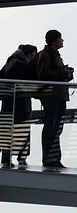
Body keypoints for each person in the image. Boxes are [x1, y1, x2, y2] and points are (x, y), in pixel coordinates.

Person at [36, 29, 73, 168]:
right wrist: (63, 73)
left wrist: (66, 74)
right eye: (60, 38)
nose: (62, 40)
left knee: (56, 128)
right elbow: (44, 75)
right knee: (51, 127)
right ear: (53, 40)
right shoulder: (46, 55)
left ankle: (54, 159)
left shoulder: (53, 55)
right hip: (52, 96)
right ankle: (50, 159)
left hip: (58, 95)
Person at [0, 44, 39, 167]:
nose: (33, 57)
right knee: (19, 130)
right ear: (26, 53)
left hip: (13, 102)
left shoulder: (12, 62)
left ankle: (8, 157)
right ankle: (19, 157)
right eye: (32, 54)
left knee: (11, 130)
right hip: (18, 102)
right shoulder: (16, 63)